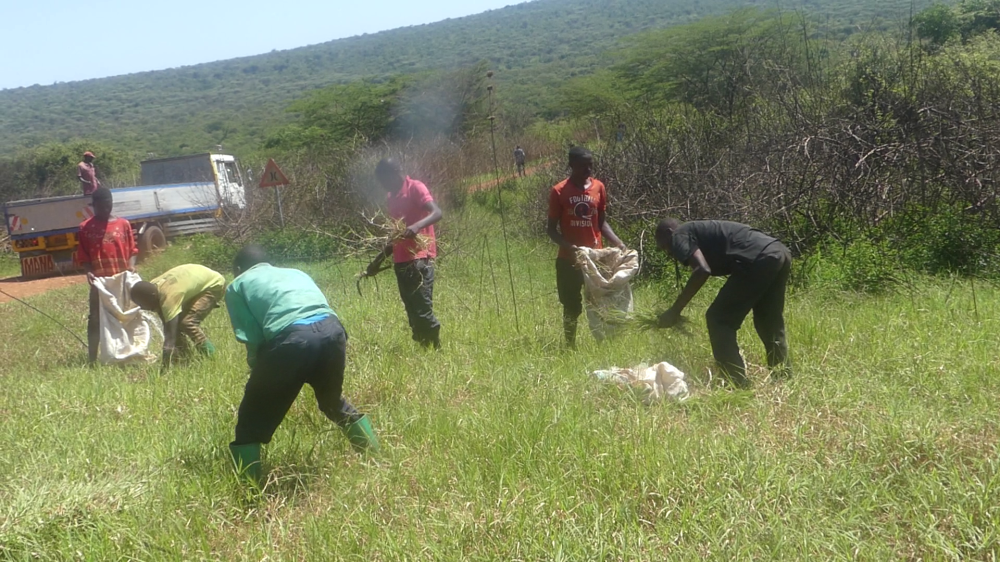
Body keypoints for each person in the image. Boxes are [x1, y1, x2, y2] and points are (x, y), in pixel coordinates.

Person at [226, 245, 379, 481]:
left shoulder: (238, 284)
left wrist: (257, 368)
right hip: (332, 331)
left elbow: (252, 336)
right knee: (331, 402)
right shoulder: (295, 272)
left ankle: (249, 491)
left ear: (237, 269)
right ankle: (375, 459)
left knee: (251, 418)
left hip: (292, 338)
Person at [654, 218, 792, 388]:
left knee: (718, 319)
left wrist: (674, 311)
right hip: (779, 252)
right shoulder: (697, 230)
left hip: (758, 258)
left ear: (669, 233)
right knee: (769, 320)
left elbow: (702, 270)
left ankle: (736, 383)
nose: (668, 252)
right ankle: (782, 378)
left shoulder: (679, 234)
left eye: (665, 246)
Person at [546, 146, 625, 349]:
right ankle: (570, 346)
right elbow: (551, 230)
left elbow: (601, 222)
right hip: (568, 261)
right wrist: (570, 247)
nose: (588, 170)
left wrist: (617, 242)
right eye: (583, 166)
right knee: (571, 306)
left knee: (600, 304)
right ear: (571, 165)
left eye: (590, 165)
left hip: (595, 260)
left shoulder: (599, 187)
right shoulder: (559, 191)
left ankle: (603, 344)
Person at [365, 158, 443, 349]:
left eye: (384, 180)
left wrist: (417, 226)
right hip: (401, 261)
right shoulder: (392, 197)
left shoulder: (415, 188)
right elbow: (397, 235)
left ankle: (436, 348)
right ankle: (425, 349)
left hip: (419, 257)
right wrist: (377, 261)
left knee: (422, 306)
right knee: (411, 309)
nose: (383, 186)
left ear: (394, 173)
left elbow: (437, 212)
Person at [75, 187, 138, 365]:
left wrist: (131, 266)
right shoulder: (85, 228)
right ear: (94, 206)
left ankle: (128, 353)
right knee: (95, 318)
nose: (106, 209)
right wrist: (88, 271)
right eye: (102, 206)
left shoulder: (123, 224)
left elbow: (133, 250)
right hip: (100, 283)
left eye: (108, 206)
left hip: (121, 280)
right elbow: (83, 256)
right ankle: (93, 359)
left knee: (125, 316)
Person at [131, 264, 225, 367]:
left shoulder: (169, 298)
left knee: (187, 323)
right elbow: (168, 327)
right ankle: (186, 360)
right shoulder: (153, 288)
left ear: (153, 298)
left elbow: (169, 341)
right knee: (174, 326)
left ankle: (212, 359)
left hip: (213, 285)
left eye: (147, 306)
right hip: (195, 278)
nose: (146, 309)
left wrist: (164, 367)